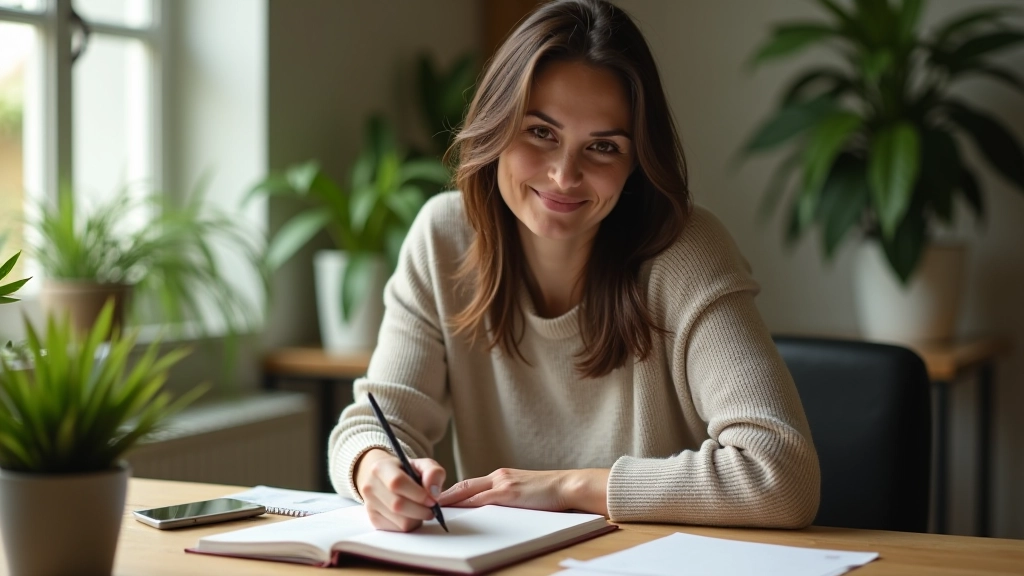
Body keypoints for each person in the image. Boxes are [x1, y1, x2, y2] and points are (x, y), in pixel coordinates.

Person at [328, 0, 820, 533]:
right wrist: (375, 468)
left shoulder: (688, 252)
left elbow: (782, 475)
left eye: (603, 147)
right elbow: (376, 424)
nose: (565, 175)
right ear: (496, 127)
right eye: (540, 132)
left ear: (636, 164)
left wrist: (566, 487)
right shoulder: (442, 237)